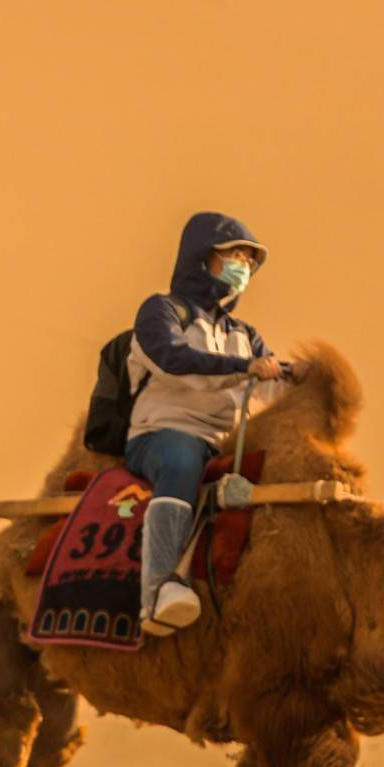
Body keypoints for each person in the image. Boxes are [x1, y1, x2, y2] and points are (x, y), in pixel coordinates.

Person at [124, 211, 291, 634]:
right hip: (162, 433)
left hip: (223, 441)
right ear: (204, 257)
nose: (245, 267)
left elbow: (273, 386)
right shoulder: (161, 312)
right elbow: (173, 362)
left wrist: (306, 377)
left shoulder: (244, 334)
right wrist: (245, 368)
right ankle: (157, 589)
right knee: (181, 462)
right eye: (237, 254)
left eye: (252, 261)